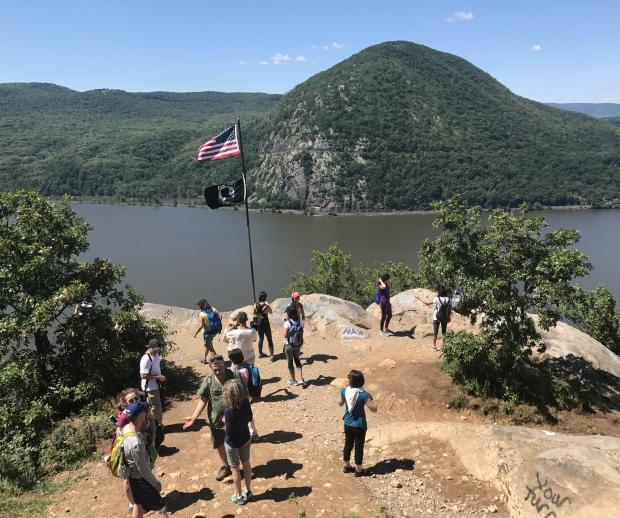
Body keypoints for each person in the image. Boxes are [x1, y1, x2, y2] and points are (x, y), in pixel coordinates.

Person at [183, 354, 239, 481]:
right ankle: (226, 467)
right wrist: (194, 417)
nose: (218, 372)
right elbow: (204, 398)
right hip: (216, 420)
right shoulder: (209, 379)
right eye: (215, 370)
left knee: (236, 443)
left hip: (233, 419)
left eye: (220, 369)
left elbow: (243, 395)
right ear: (211, 368)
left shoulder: (234, 375)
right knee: (219, 443)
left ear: (224, 365)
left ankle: (239, 468)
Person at [122, 401, 168, 518]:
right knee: (161, 509)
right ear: (139, 416)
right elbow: (143, 469)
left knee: (138, 505)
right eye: (144, 412)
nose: (146, 413)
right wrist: (155, 483)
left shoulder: (126, 428)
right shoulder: (135, 444)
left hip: (132, 478)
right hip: (142, 480)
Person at [338, 370, 377, 477]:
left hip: (347, 423)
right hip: (359, 425)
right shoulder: (364, 395)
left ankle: (347, 466)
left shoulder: (344, 391)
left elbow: (340, 403)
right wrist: (371, 398)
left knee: (348, 444)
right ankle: (359, 470)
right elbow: (374, 409)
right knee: (359, 447)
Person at [223, 379, 254, 505]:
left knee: (235, 469)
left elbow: (229, 432)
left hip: (232, 444)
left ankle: (239, 496)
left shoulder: (228, 411)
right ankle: (248, 491)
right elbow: (250, 418)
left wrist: (225, 421)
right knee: (246, 464)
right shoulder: (246, 402)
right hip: (245, 439)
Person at [228, 349, 259, 440]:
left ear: (233, 360)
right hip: (248, 395)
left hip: (243, 397)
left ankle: (252, 434)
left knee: (245, 416)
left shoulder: (240, 372)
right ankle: (253, 434)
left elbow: (240, 385)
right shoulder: (247, 366)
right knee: (248, 415)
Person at [416, 287, 452, 351]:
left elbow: (427, 303)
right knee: (444, 332)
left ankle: (434, 347)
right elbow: (450, 309)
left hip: (436, 317)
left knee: (435, 332)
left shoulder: (437, 299)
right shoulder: (449, 299)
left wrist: (419, 299)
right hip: (445, 317)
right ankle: (443, 347)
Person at [140, 339, 166, 426]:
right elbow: (143, 375)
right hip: (150, 387)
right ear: (149, 347)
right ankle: (156, 427)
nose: (157, 351)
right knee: (155, 408)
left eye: (158, 349)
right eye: (155, 350)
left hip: (156, 385)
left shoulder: (155, 354)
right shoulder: (146, 359)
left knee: (157, 406)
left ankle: (157, 425)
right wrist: (158, 377)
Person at [283, 306, 306, 387]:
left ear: (289, 314)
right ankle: (301, 379)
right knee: (297, 361)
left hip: (289, 346)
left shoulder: (287, 323)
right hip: (297, 345)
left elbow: (285, 335)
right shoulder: (299, 321)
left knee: (290, 362)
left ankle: (293, 380)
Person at [194, 299, 221, 363]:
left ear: (201, 306)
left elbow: (201, 326)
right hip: (214, 331)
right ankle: (204, 358)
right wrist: (217, 324)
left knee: (210, 348)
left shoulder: (201, 314)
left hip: (207, 333)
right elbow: (220, 316)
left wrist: (196, 333)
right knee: (208, 345)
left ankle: (217, 361)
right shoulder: (213, 309)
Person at [253, 291, 275, 361]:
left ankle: (260, 354)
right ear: (265, 297)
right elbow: (271, 312)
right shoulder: (266, 306)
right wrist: (268, 305)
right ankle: (271, 355)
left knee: (261, 338)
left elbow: (254, 313)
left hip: (259, 324)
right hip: (266, 324)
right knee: (269, 339)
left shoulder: (255, 305)